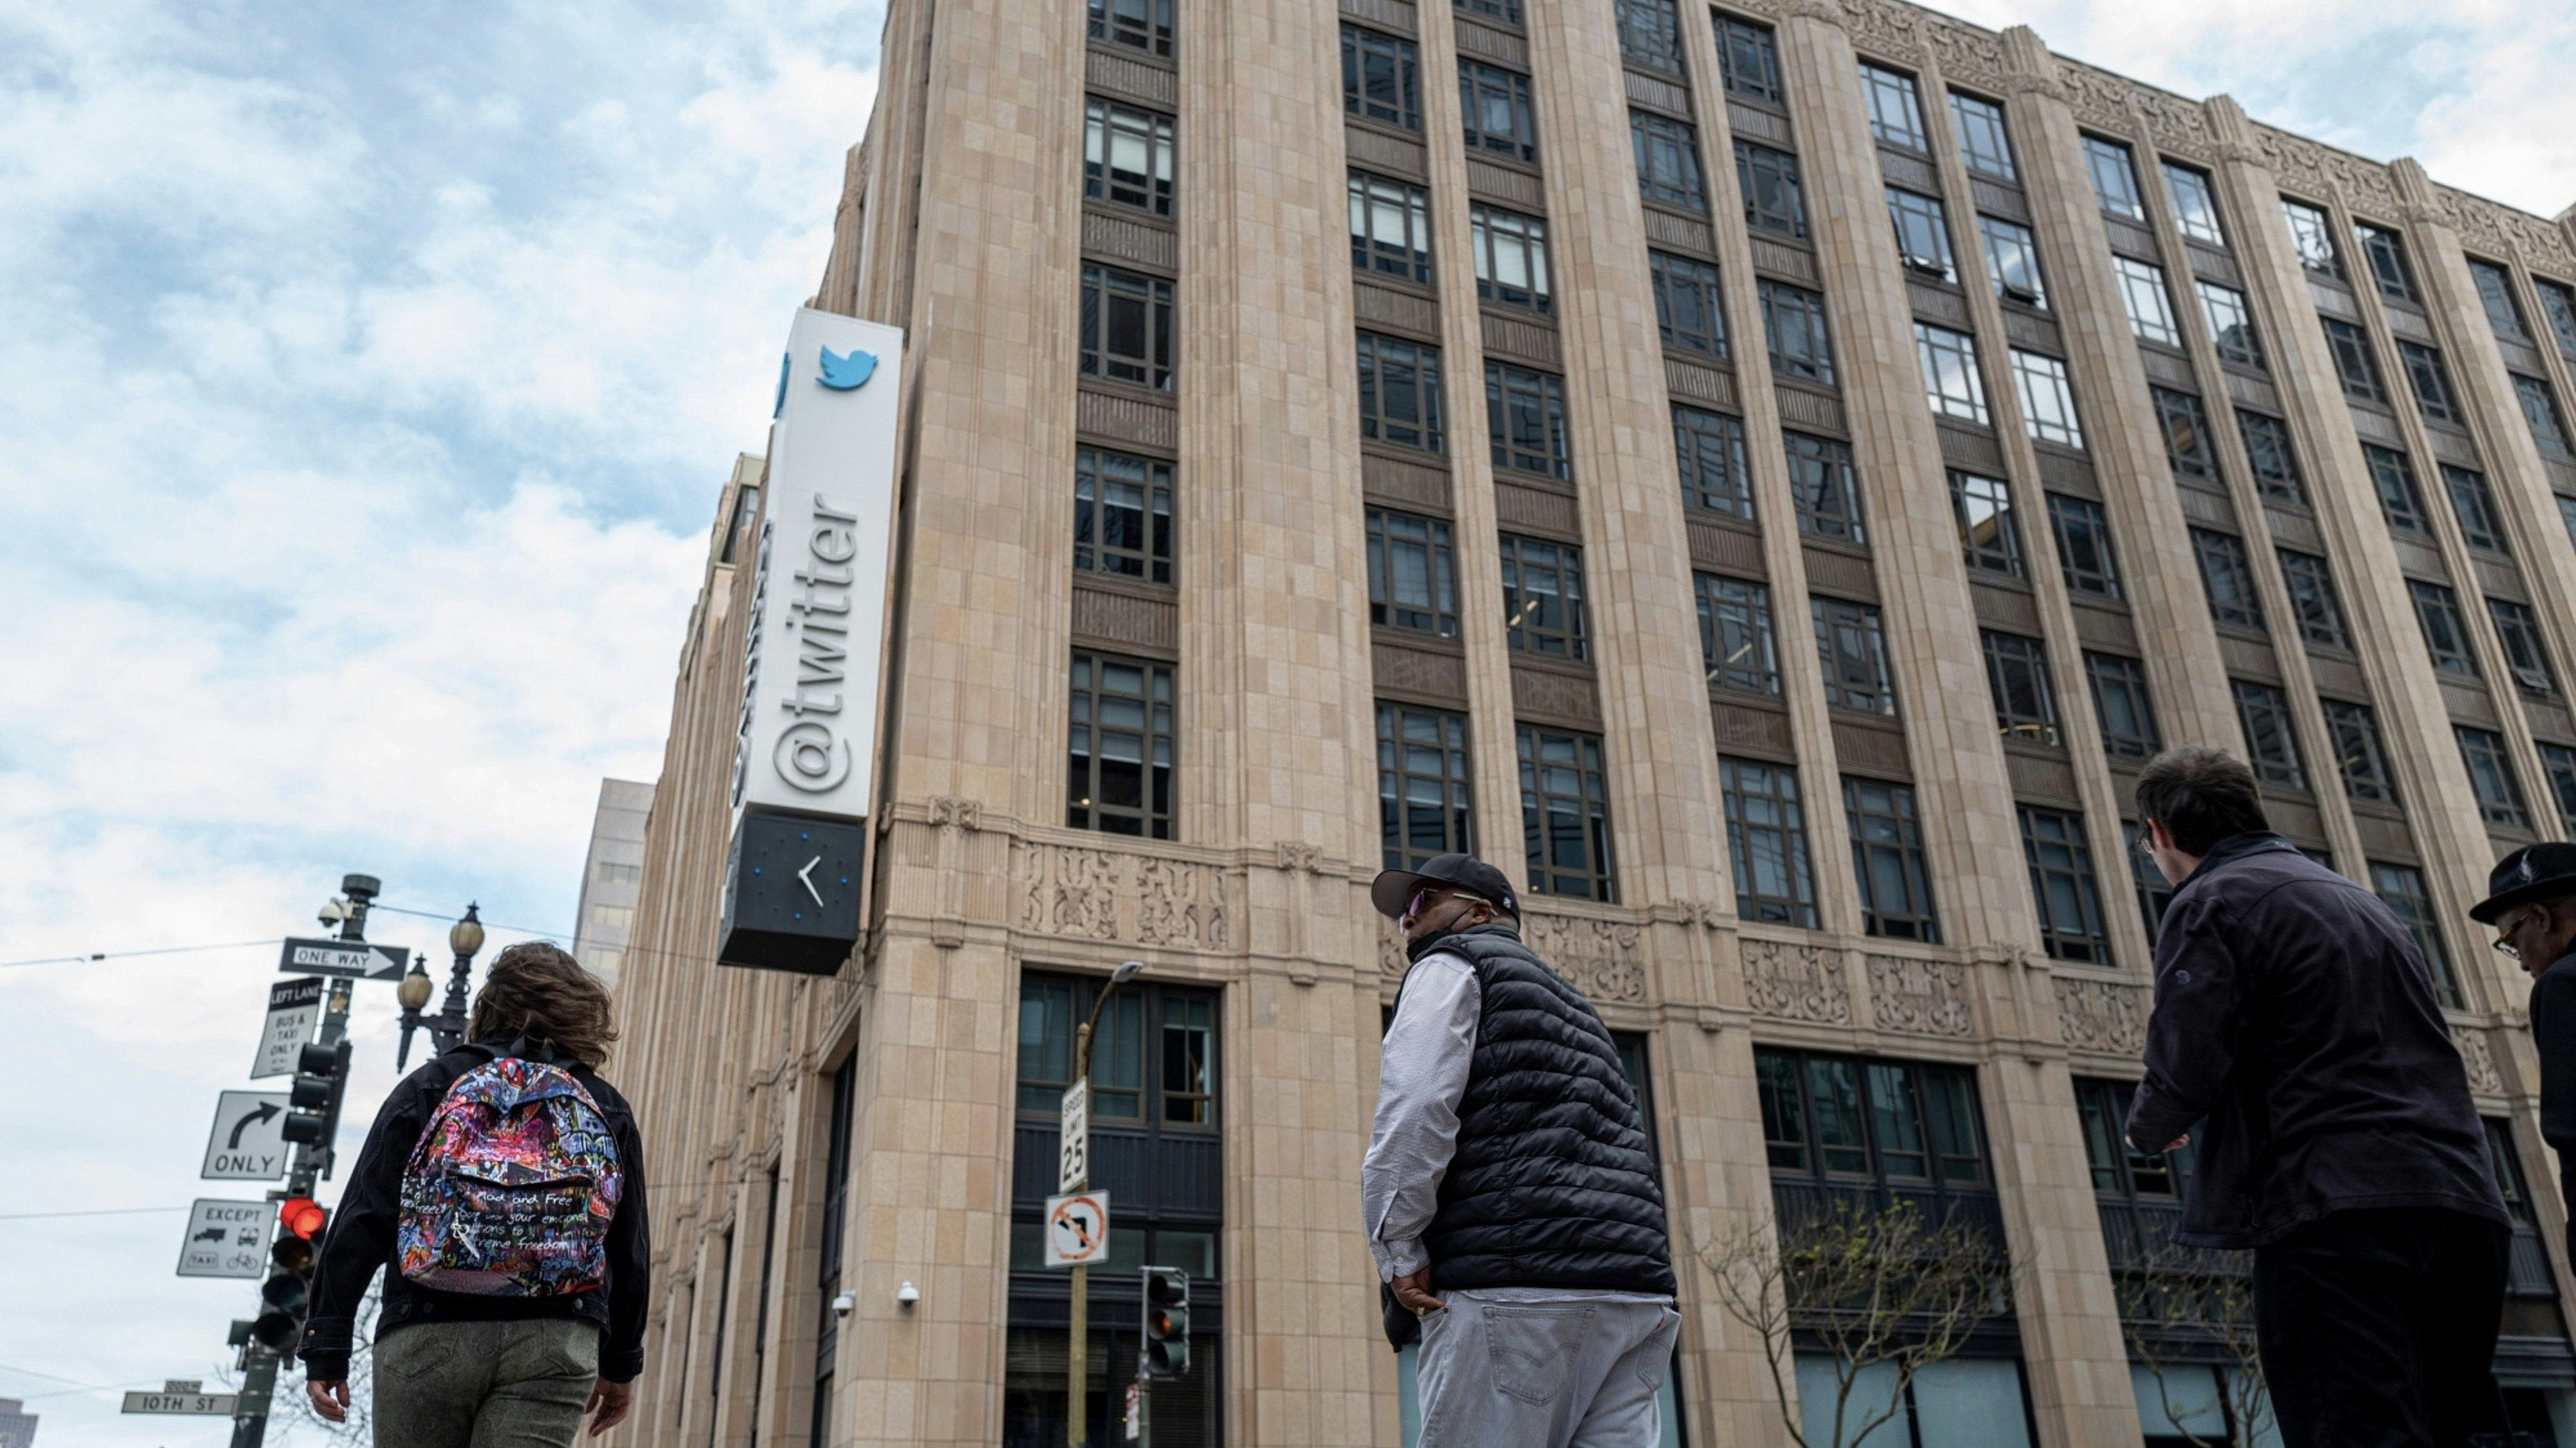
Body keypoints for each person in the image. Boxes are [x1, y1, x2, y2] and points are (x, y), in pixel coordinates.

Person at [2124, 748, 2509, 1448]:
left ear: (2159, 834)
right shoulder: (2363, 900)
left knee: (2349, 1428)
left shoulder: (2213, 898)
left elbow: (2186, 1052)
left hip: (2335, 1207)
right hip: (2463, 1203)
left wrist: (2148, 1128)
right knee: (2449, 1428)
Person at [1361, 852, 1678, 1448]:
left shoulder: (1455, 964)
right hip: (1635, 1296)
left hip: (1518, 1290)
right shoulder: (1579, 1007)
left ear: (1480, 911)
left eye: (1423, 900)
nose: (1406, 919)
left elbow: (1416, 1106)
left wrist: (1398, 1253)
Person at [298, 941, 651, 1445]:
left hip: (427, 1328)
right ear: (580, 1012)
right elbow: (629, 1244)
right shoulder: (605, 1104)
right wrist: (622, 1362)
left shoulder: (430, 1085)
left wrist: (327, 1343)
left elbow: (363, 1216)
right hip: (556, 1338)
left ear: (487, 1006)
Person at [2472, 842, 2576, 1257]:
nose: (2520, 963)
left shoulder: (2564, 984)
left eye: (2511, 941)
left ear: (2540, 917)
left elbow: (2571, 1128)